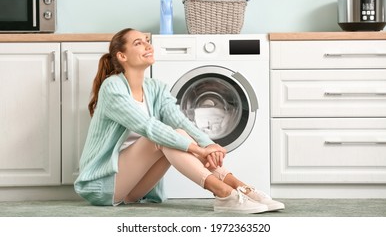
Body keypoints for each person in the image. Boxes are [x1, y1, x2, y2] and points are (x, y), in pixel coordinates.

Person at [74, 28, 285, 214]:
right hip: (104, 184)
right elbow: (148, 127)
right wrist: (198, 150)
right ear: (122, 56)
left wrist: (208, 144)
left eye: (147, 40)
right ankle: (223, 192)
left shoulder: (155, 87)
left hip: (134, 189)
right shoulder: (113, 87)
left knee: (178, 132)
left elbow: (181, 121)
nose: (147, 45)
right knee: (160, 136)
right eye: (138, 43)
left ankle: (239, 187)